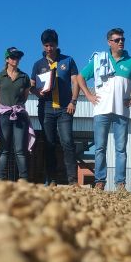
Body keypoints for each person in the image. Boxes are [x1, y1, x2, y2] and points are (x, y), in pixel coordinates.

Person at [77, 28, 131, 191]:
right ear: (109, 42)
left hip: (122, 112)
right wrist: (89, 95)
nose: (121, 42)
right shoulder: (99, 60)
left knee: (121, 149)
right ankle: (100, 181)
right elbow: (80, 77)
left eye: (122, 39)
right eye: (117, 40)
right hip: (101, 110)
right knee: (100, 148)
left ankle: (120, 183)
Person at [29, 29, 80, 186]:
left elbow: (75, 82)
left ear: (57, 44)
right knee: (49, 143)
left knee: (67, 142)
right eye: (46, 45)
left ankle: (73, 180)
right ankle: (51, 179)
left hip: (65, 107)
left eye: (51, 45)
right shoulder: (38, 64)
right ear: (42, 46)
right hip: (46, 108)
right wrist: (37, 92)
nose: (49, 48)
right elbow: (32, 86)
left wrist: (73, 101)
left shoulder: (68, 61)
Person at [0, 46, 34, 181]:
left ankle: (23, 179)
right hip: (4, 115)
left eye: (18, 57)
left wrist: (16, 107)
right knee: (4, 149)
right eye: (13, 57)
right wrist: (4, 108)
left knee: (20, 149)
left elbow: (25, 97)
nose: (16, 59)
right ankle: (1, 178)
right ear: (7, 59)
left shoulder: (24, 77)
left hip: (19, 115)